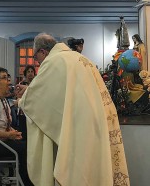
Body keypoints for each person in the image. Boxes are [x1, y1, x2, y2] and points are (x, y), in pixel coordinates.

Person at [15, 33, 130, 186]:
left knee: (76, 169)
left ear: (42, 51)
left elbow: (40, 100)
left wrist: (21, 100)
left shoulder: (54, 61)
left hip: (76, 123)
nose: (37, 62)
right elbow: (57, 93)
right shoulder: (81, 59)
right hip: (95, 120)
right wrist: (30, 90)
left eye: (36, 57)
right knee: (94, 167)